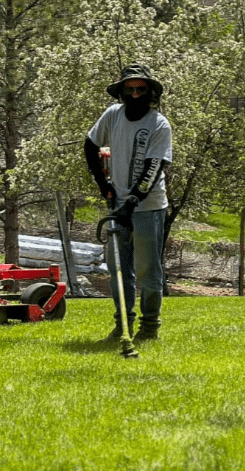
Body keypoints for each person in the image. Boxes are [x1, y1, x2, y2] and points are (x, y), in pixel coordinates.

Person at [84, 64, 173, 341]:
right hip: (117, 206)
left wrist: (132, 201)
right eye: (130, 89)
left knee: (147, 269)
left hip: (149, 207)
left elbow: (153, 168)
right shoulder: (112, 115)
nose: (135, 94)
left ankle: (149, 328)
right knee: (118, 270)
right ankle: (123, 325)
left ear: (149, 91)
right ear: (122, 91)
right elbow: (90, 145)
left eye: (140, 89)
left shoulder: (159, 124)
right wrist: (104, 185)